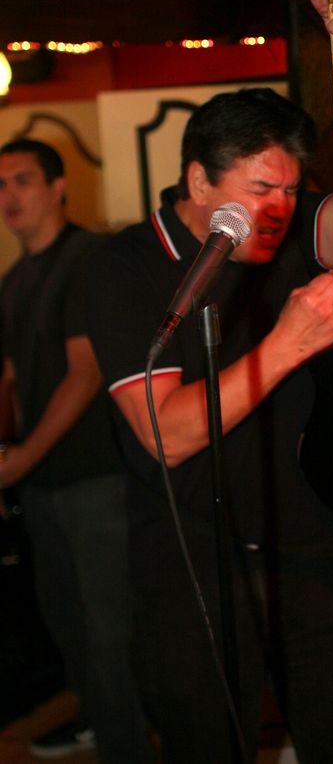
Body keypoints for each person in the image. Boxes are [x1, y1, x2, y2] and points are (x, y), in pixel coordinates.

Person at [84, 0, 333, 764]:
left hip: (312, 552)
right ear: (198, 180)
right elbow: (166, 434)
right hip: (194, 565)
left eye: (290, 191)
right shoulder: (124, 267)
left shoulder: (289, 230)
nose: (278, 208)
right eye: (261, 187)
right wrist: (289, 344)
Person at [0, 139, 154, 763]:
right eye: (0, 184)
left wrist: (23, 458)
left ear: (58, 187)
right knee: (65, 618)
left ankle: (126, 748)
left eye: (22, 180)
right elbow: (12, 377)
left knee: (108, 625)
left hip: (96, 477)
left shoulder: (86, 258)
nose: (8, 195)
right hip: (43, 482)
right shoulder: (15, 277)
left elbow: (84, 374)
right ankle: (95, 721)